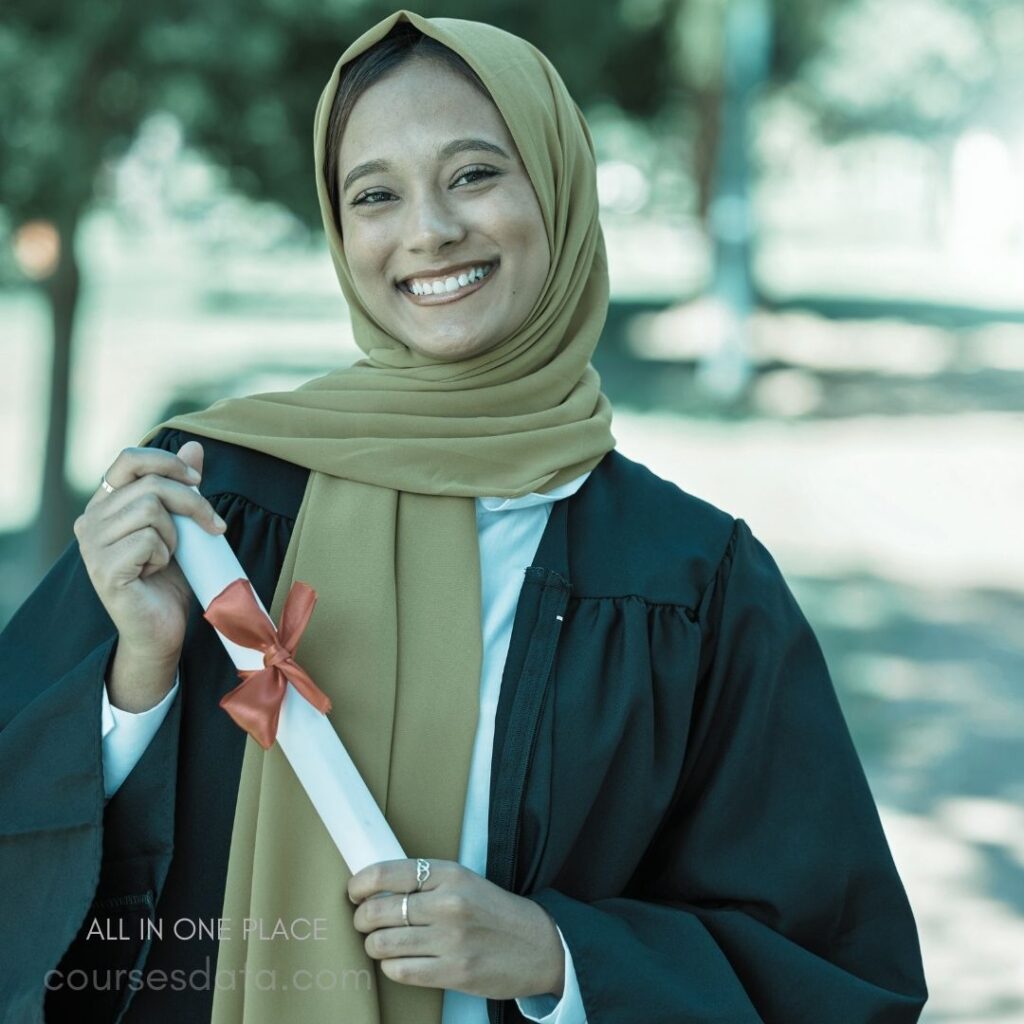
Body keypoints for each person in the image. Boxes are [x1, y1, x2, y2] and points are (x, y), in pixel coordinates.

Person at [0, 10, 928, 1024]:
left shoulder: (690, 581)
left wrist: (562, 957)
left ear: (559, 190)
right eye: (375, 194)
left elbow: (835, 972)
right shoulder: (213, 503)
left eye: (476, 173)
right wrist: (137, 676)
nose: (428, 230)